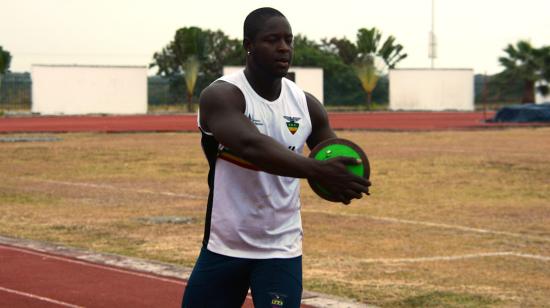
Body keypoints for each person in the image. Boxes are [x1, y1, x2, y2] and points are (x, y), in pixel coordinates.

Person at [181, 7, 371, 308]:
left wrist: (343, 181)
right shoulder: (222, 96)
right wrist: (317, 171)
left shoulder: (306, 105)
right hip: (224, 246)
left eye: (289, 40)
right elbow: (251, 145)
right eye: (272, 39)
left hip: (280, 251)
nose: (284, 47)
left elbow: (333, 158)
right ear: (249, 45)